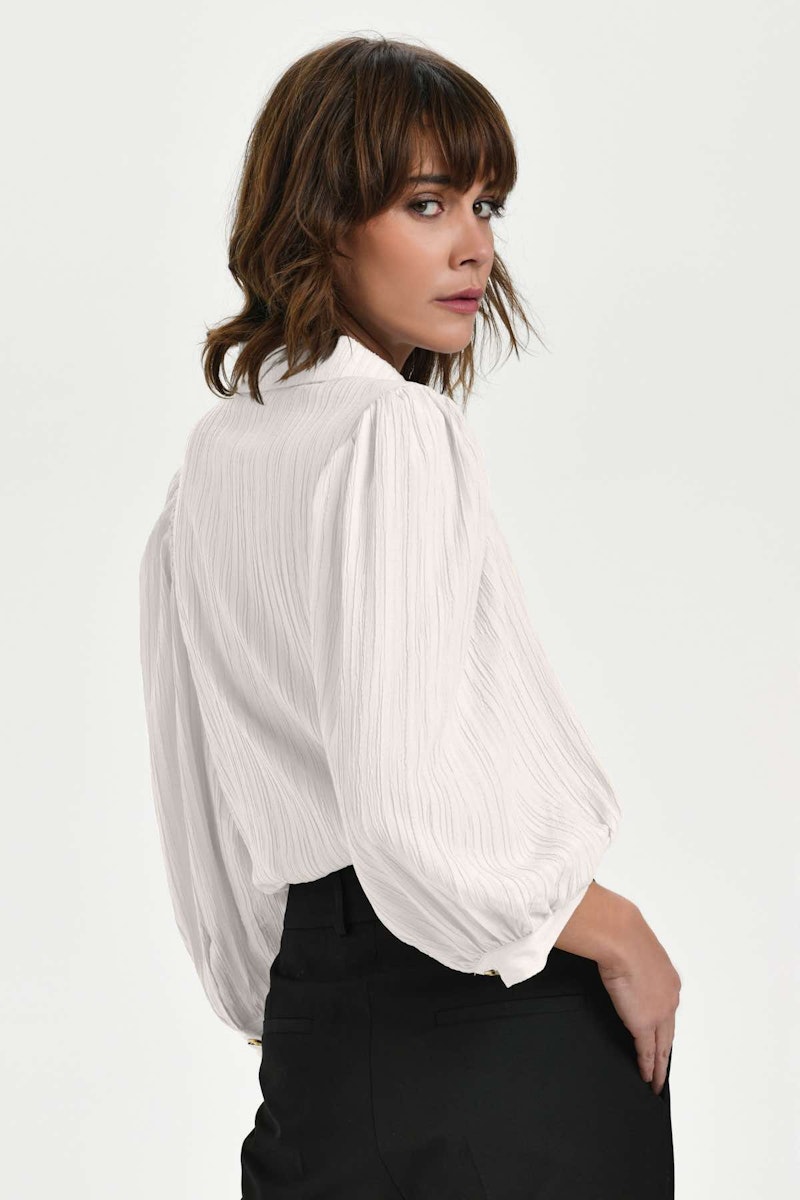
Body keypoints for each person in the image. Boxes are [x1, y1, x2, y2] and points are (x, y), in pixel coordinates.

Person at [138, 33, 681, 1199]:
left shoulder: (216, 458)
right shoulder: (392, 429)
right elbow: (405, 811)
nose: (473, 245)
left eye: (485, 205)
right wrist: (608, 922)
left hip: (318, 1030)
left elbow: (200, 792)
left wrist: (285, 1003)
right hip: (497, 1020)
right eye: (426, 204)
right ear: (321, 219)